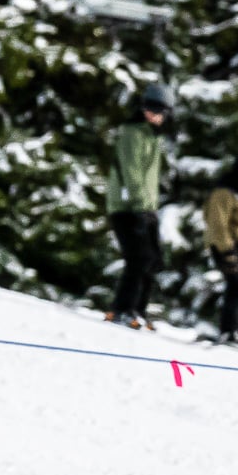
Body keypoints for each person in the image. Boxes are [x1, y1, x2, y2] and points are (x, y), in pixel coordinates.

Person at [105, 83, 172, 330]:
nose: (153, 114)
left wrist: (150, 209)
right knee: (138, 258)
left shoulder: (152, 137)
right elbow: (132, 173)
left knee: (152, 259)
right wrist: (141, 207)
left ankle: (138, 310)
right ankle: (121, 308)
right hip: (127, 206)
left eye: (159, 110)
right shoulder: (133, 133)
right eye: (149, 108)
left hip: (145, 206)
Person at [201, 146, 238, 345]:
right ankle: (228, 330)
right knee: (237, 284)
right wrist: (227, 251)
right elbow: (218, 224)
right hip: (226, 246)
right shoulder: (225, 192)